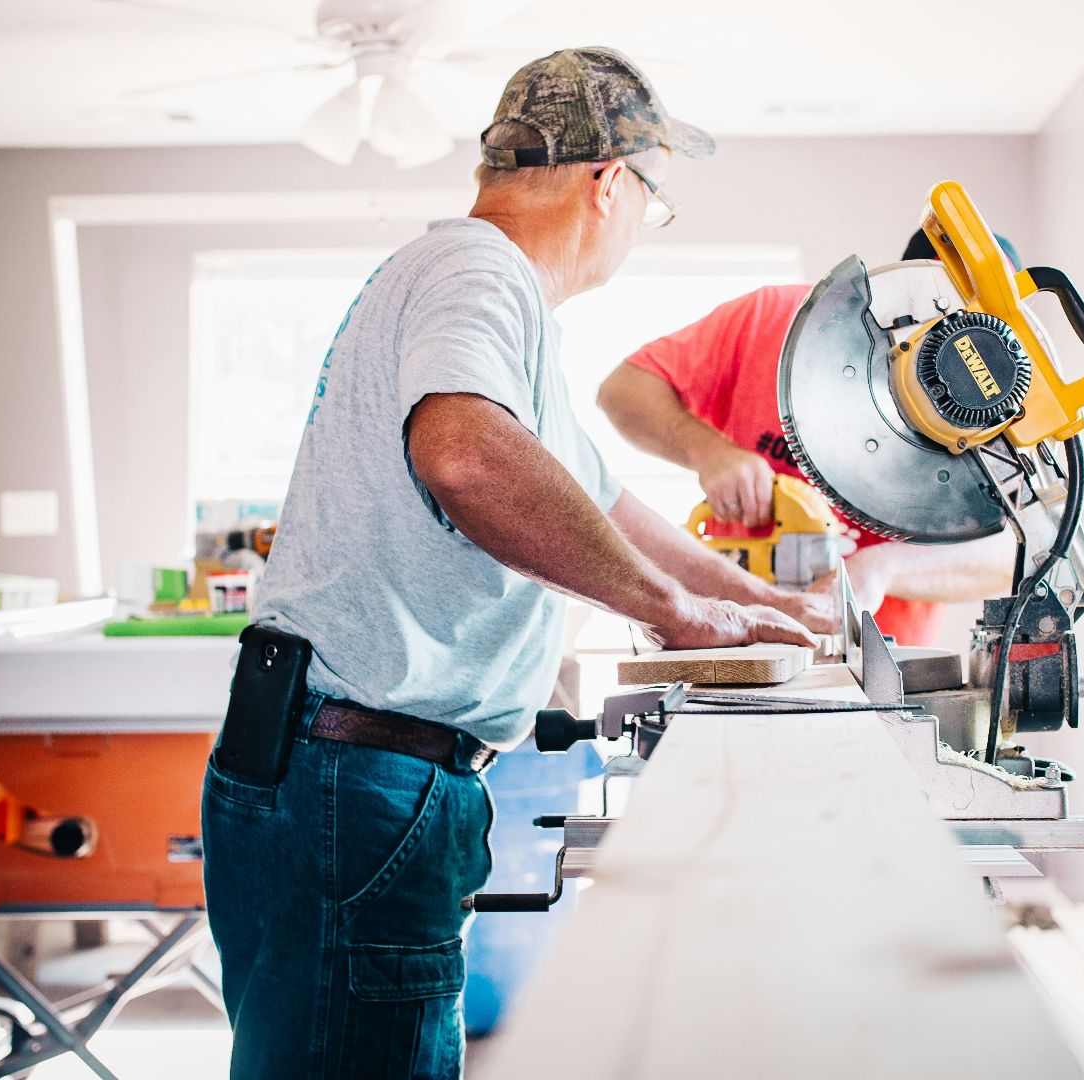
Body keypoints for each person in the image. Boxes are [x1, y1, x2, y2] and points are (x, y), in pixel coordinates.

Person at [200, 47, 829, 1080]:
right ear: (611, 183)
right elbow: (463, 455)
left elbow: (606, 500)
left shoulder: (493, 304)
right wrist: (674, 612)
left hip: (348, 772)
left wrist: (756, 600)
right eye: (652, 201)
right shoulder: (477, 270)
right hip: (355, 779)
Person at [595, 231, 1024, 647]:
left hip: (879, 665)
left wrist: (884, 567)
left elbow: (1018, 555)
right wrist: (708, 451)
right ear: (896, 283)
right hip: (732, 635)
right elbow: (624, 390)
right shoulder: (774, 319)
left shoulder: (997, 411)